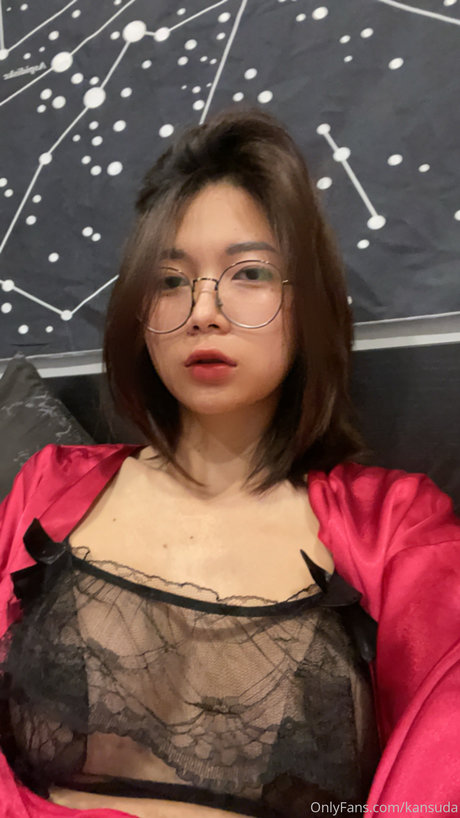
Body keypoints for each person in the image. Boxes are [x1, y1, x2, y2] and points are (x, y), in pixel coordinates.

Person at [0, 105, 459, 818]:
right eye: (170, 280)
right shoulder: (50, 489)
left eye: (249, 272)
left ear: (306, 303)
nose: (203, 311)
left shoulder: (395, 530)